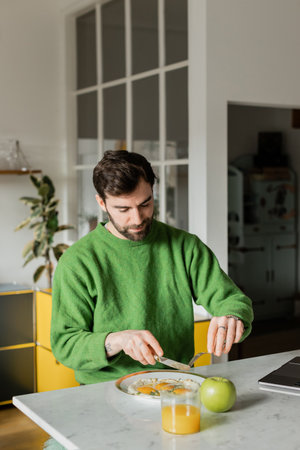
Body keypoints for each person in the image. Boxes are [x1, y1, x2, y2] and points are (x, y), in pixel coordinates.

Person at [51, 150, 253, 385]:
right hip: (104, 391)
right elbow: (65, 344)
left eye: (145, 203)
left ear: (153, 193)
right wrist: (116, 340)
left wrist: (232, 314)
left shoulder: (185, 247)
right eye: (123, 209)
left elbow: (232, 300)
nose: (137, 218)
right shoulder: (78, 261)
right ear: (102, 203)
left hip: (176, 385)